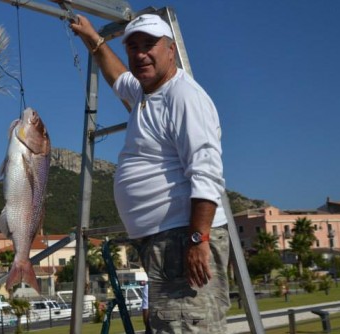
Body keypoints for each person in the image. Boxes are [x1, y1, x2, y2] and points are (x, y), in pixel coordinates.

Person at [70, 13, 230, 333]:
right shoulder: (144, 92)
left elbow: (207, 172)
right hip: (161, 243)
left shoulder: (183, 96)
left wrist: (198, 240)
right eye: (133, 47)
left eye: (149, 45)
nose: (140, 54)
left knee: (186, 326)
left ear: (171, 50)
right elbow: (117, 75)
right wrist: (91, 36)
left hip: (182, 238)